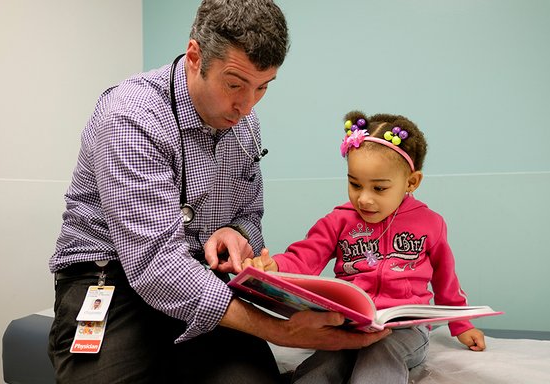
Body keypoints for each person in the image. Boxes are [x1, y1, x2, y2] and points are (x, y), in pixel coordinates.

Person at [47, 1, 389, 383]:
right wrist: (280, 332)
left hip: (202, 277)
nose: (245, 105)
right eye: (234, 84)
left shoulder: (244, 124)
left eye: (262, 88)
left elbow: (249, 214)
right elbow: (156, 266)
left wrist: (236, 235)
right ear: (195, 56)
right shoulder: (132, 116)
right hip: (111, 280)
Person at [245, 110, 486, 383]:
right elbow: (305, 256)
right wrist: (274, 266)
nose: (364, 199)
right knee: (328, 357)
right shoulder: (338, 220)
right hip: (350, 324)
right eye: (355, 184)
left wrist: (461, 324)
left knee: (381, 353)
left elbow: (446, 280)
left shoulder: (430, 223)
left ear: (411, 182)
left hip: (404, 330)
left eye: (379, 188)